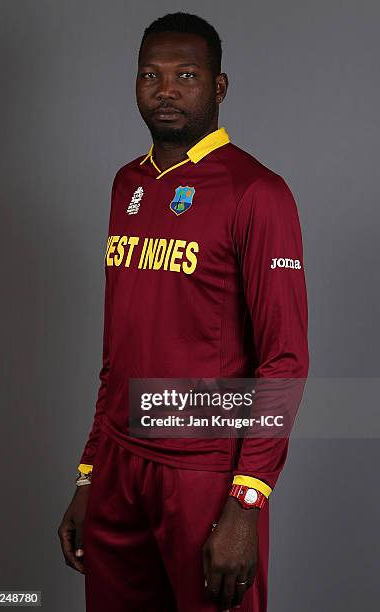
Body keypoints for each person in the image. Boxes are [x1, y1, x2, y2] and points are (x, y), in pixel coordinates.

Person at [58, 12, 309, 612]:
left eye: (186, 75)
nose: (165, 89)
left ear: (218, 87)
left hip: (203, 469)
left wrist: (247, 502)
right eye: (151, 75)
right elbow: (117, 352)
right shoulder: (127, 184)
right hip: (120, 462)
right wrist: (90, 473)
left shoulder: (258, 192)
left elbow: (284, 361)